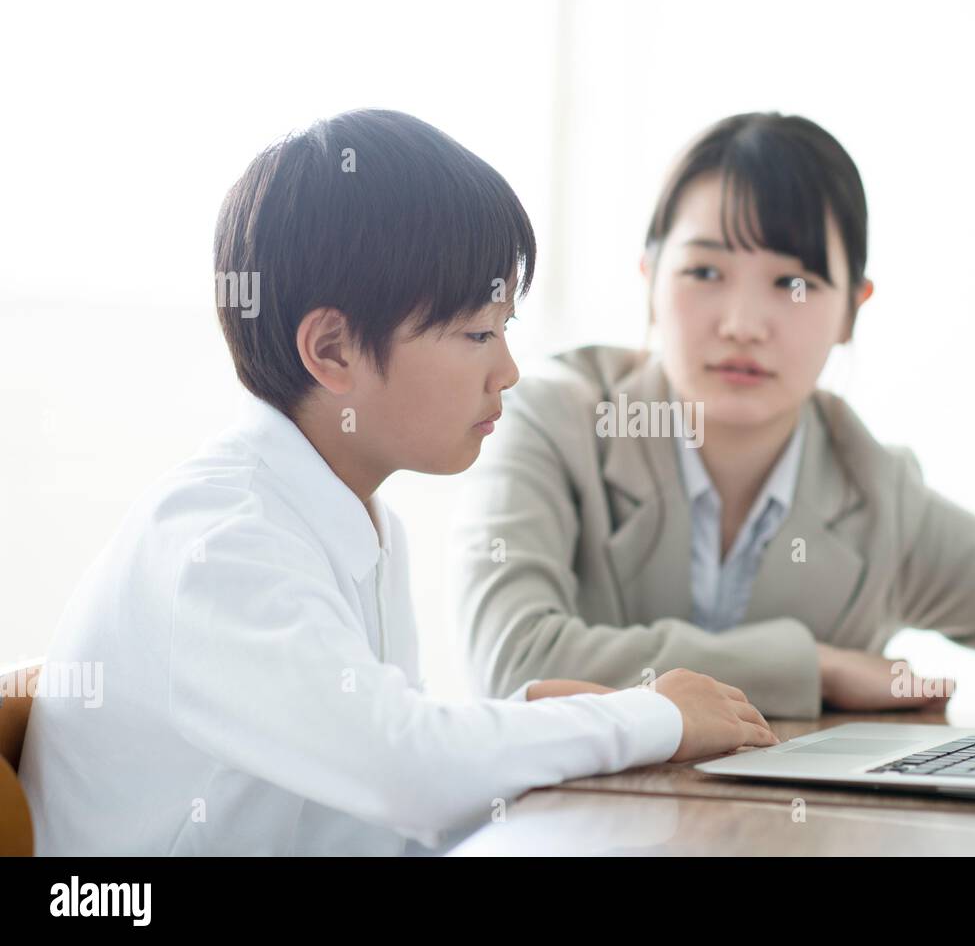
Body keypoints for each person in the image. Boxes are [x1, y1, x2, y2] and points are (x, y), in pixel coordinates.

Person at [18, 109, 776, 856]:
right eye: (479, 332)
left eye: (506, 328)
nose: (507, 370)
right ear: (333, 349)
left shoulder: (356, 518)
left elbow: (372, 802)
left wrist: (524, 720)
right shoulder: (225, 544)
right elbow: (405, 771)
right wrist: (656, 716)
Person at [451, 111, 975, 758]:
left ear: (851, 310)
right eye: (705, 271)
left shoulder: (875, 490)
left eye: (792, 281)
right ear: (649, 281)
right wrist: (813, 666)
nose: (743, 322)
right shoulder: (553, 418)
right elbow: (515, 660)